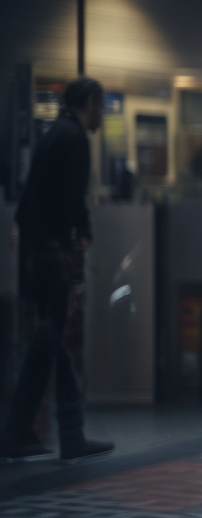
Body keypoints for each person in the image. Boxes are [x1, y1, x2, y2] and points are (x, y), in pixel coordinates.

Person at [1, 78, 114, 464]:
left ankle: (31, 431)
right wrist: (81, 232)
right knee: (57, 339)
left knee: (50, 339)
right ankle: (59, 434)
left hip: (35, 248)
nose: (102, 113)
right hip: (51, 250)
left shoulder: (54, 133)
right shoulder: (74, 139)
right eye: (100, 105)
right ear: (88, 103)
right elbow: (71, 196)